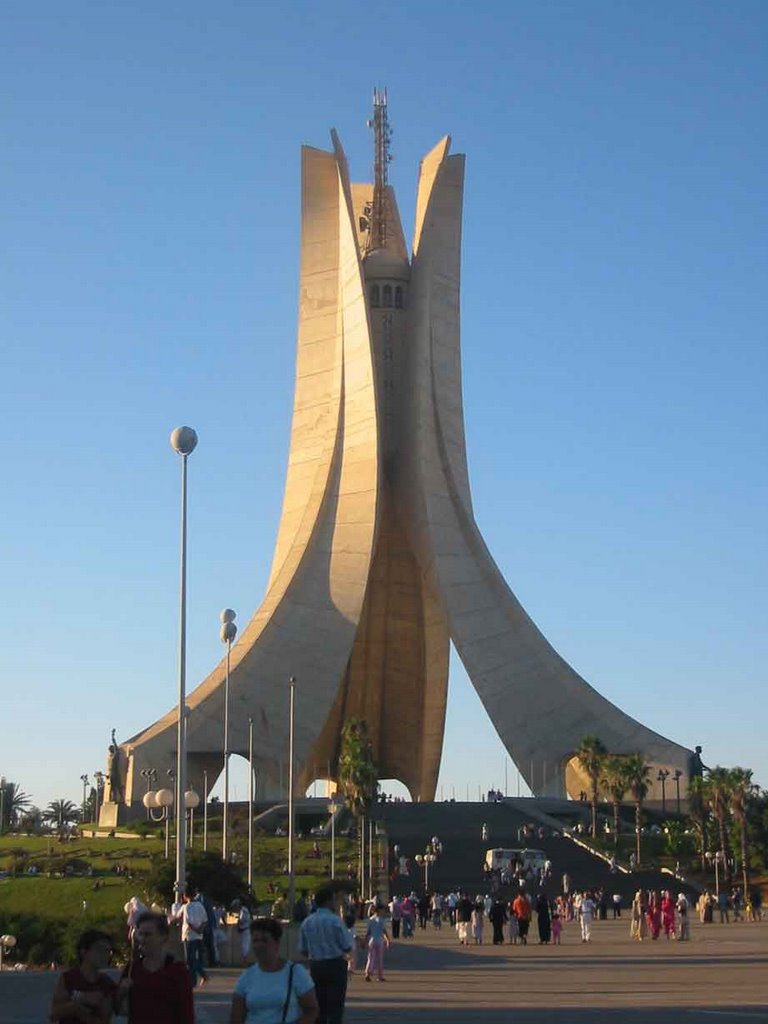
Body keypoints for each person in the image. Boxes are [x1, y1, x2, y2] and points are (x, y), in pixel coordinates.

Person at [231, 917, 318, 1024]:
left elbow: (311, 1010)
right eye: (255, 941)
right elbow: (236, 1018)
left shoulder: (296, 973)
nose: (259, 945)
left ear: (277, 942)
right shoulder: (246, 977)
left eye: (264, 940)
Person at [116, 912, 193, 1024]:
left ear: (163, 937)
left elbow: (187, 1013)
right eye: (140, 934)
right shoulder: (133, 968)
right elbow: (117, 1009)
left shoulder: (177, 970)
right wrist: (121, 992)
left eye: (148, 934)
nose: (142, 939)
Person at [298, 888, 352, 1024]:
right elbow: (347, 946)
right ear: (328, 901)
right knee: (336, 1006)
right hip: (336, 965)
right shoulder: (335, 921)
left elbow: (303, 949)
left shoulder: (307, 922)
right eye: (333, 899)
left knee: (318, 1005)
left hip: (316, 966)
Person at [49, 929, 116, 1024]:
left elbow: (104, 1021)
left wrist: (82, 1014)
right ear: (84, 952)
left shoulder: (107, 983)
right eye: (100, 949)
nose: (105, 955)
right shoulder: (68, 978)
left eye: (108, 951)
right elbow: (53, 1013)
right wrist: (78, 1003)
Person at [172, 891, 208, 987]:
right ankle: (200, 976)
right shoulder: (200, 905)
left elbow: (185, 920)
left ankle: (194, 981)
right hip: (199, 936)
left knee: (190, 960)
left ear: (185, 896)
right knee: (194, 959)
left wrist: (170, 919)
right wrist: (200, 930)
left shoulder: (186, 907)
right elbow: (205, 920)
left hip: (189, 936)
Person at [364, 903, 391, 982]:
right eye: (383, 910)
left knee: (370, 958)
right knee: (379, 959)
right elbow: (384, 931)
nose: (384, 912)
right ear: (379, 911)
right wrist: (388, 940)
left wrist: (365, 941)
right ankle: (379, 976)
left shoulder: (371, 919)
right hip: (379, 941)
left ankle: (367, 973)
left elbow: (368, 932)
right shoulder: (381, 920)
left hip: (371, 941)